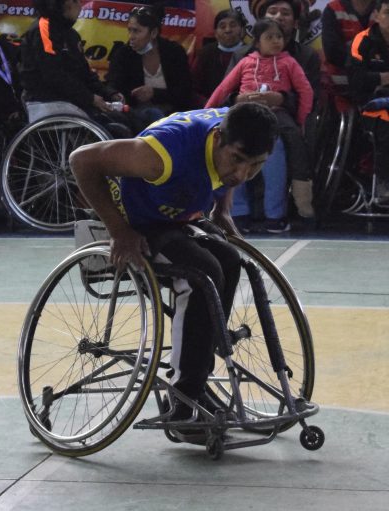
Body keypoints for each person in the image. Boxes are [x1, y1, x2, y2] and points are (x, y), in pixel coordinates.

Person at [69, 103, 278, 442]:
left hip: (178, 217)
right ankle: (182, 403)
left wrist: (223, 207)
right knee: (201, 272)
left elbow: (239, 155)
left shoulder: (236, 132)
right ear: (218, 138)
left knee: (229, 259)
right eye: (237, 160)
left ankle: (195, 382)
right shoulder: (161, 154)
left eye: (256, 166)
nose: (242, 174)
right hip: (137, 221)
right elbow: (82, 160)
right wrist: (119, 231)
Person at [228, 0, 320, 220]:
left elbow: (311, 96)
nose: (279, 16)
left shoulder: (306, 56)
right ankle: (237, 211)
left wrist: (280, 98)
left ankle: (282, 212)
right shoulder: (242, 56)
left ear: (295, 22)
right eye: (273, 11)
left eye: (285, 13)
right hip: (245, 116)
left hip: (283, 117)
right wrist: (239, 98)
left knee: (278, 142)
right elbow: (225, 92)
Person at [20, 0, 130, 136]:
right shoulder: (43, 30)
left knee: (128, 119)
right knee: (118, 129)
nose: (80, 6)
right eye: (76, 1)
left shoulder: (71, 34)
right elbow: (53, 75)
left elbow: (85, 73)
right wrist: (90, 98)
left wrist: (109, 93)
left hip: (72, 100)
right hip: (47, 100)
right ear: (64, 4)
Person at [105, 4, 193, 132]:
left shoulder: (174, 52)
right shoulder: (123, 54)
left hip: (173, 114)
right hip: (134, 116)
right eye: (129, 30)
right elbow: (112, 84)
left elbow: (185, 91)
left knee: (155, 114)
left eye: (137, 31)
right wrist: (115, 94)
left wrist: (154, 93)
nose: (131, 37)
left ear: (154, 33)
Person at [348, 0, 389, 203]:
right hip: (370, 101)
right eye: (388, 13)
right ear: (377, 15)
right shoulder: (362, 40)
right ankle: (384, 181)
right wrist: (383, 78)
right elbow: (356, 79)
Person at [191, 9, 249, 106]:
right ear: (216, 33)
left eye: (233, 25)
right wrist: (209, 106)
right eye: (222, 26)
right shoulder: (206, 53)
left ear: (243, 31)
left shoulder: (252, 53)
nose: (228, 30)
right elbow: (194, 88)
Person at [322, 0, 375, 92]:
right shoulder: (333, 9)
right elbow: (332, 53)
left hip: (379, 91)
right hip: (341, 91)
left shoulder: (384, 8)